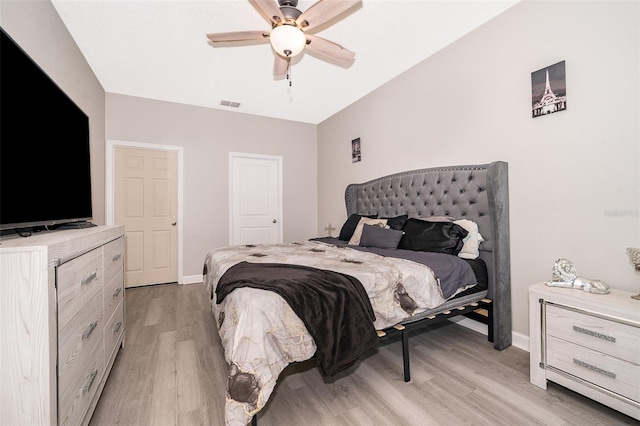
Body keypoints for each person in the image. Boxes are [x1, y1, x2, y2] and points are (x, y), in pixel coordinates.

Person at [545, 258, 610, 294]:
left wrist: (554, 284)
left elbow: (568, 284)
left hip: (592, 283)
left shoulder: (571, 278)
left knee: (603, 288)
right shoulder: (570, 277)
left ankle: (600, 290)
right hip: (592, 283)